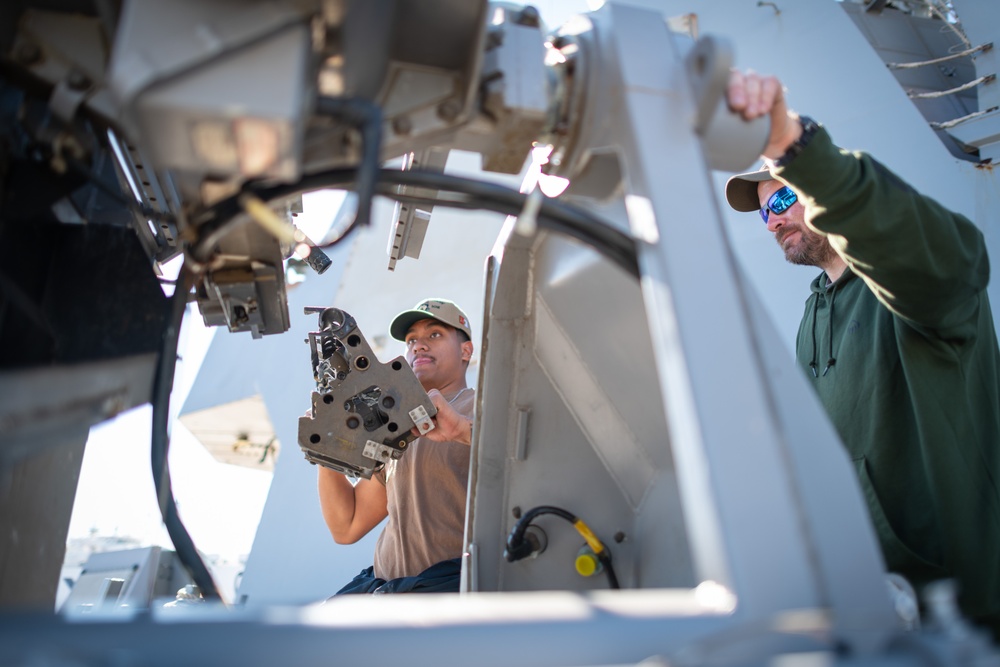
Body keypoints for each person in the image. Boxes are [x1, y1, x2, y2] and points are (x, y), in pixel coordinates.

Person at [724, 70, 1000, 637]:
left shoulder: (917, 290)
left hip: (964, 616)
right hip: (872, 616)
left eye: (780, 196)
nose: (773, 219)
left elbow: (948, 256)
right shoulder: (812, 314)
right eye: (763, 211)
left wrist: (795, 149)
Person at [318, 298, 476, 594]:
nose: (419, 345)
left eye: (434, 335)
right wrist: (328, 450)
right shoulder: (396, 428)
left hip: (449, 594)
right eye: (411, 340)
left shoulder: (484, 408)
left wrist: (463, 430)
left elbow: (525, 457)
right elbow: (347, 527)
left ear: (465, 350)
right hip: (385, 590)